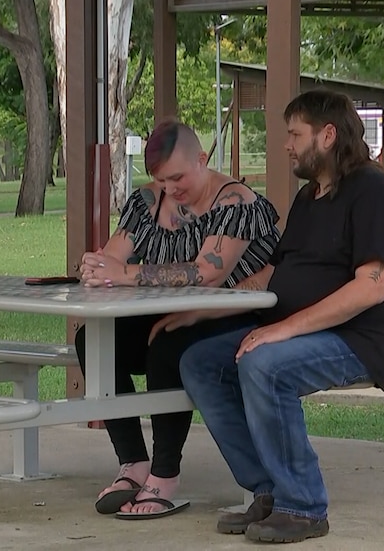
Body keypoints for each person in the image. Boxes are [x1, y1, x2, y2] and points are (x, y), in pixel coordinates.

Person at [162, 89, 384, 542]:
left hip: (367, 335)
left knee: (265, 364)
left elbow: (371, 287)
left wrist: (281, 330)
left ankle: (303, 506)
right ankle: (269, 491)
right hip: (308, 330)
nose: (286, 144)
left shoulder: (376, 191)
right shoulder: (308, 199)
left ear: (326, 135)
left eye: (293, 134)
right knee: (199, 362)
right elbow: (272, 275)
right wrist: (202, 310)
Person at [75, 118, 281, 519]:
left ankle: (165, 475)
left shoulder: (237, 204)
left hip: (232, 313)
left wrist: (124, 275)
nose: (171, 189)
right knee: (94, 341)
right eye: (162, 180)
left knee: (165, 347)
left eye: (177, 177)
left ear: (202, 159)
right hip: (169, 311)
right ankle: (133, 463)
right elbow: (114, 256)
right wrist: (96, 268)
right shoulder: (146, 203)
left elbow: (208, 273)